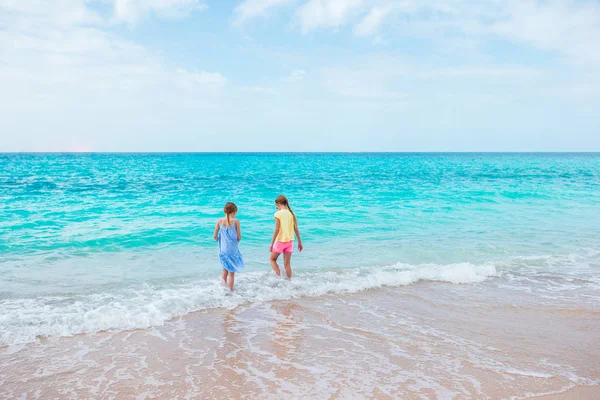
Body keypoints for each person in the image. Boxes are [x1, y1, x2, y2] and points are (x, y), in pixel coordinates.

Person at [269, 195, 303, 279]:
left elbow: (277, 229)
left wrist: (272, 243)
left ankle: (280, 277)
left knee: (272, 259)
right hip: (290, 242)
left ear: (278, 204)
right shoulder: (292, 213)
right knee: (287, 264)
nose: (276, 207)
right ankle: (289, 282)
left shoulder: (278, 214)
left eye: (276, 205)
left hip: (281, 241)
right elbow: (296, 228)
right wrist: (299, 242)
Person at [213, 202, 244, 291]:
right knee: (231, 273)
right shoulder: (236, 221)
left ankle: (222, 289)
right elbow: (239, 237)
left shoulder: (219, 221)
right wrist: (235, 242)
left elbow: (214, 236)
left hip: (223, 249)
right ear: (234, 212)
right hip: (232, 250)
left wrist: (220, 241)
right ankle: (230, 291)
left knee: (224, 270)